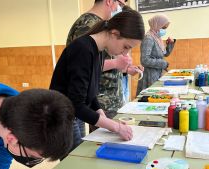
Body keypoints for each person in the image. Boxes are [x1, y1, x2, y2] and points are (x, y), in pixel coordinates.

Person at [50, 9, 145, 151]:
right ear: (114, 33)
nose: (124, 53)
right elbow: (76, 104)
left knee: (81, 152)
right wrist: (115, 126)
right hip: (62, 116)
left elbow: (89, 90)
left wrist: (100, 113)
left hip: (74, 114)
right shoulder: (83, 49)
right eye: (126, 47)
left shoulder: (98, 51)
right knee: (75, 158)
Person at [67, 0, 143, 119]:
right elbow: (81, 65)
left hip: (107, 101)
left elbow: (105, 60)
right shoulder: (88, 25)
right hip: (101, 101)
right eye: (120, 5)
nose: (120, 10)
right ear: (109, 1)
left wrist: (126, 68)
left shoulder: (103, 25)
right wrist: (116, 63)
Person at [136, 14, 176, 95]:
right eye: (163, 28)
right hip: (149, 77)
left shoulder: (157, 38)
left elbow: (165, 54)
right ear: (157, 24)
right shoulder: (148, 38)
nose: (164, 30)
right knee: (149, 100)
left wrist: (170, 44)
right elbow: (144, 60)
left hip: (158, 74)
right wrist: (163, 63)